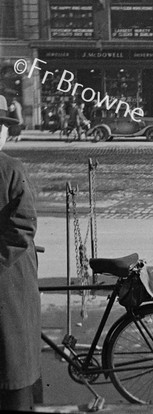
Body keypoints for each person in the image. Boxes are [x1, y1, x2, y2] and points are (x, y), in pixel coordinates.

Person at [0, 94, 41, 411]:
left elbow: (21, 228)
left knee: (11, 364)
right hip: (10, 282)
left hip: (9, 283)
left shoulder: (9, 170)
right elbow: (23, 227)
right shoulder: (10, 168)